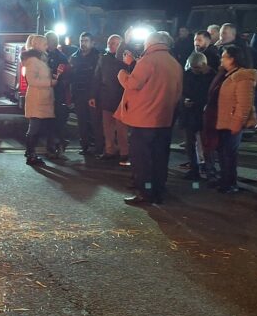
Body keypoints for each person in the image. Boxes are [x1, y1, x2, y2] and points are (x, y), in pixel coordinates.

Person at [115, 30, 183, 206]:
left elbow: (133, 83)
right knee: (160, 157)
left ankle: (145, 192)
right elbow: (177, 92)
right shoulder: (174, 62)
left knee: (142, 159)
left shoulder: (149, 60)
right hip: (164, 118)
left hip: (144, 119)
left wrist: (122, 73)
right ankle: (159, 190)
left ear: (151, 42)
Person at [213, 46, 257, 193]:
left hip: (232, 122)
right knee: (224, 153)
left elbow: (244, 103)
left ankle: (230, 183)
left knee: (229, 154)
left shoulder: (242, 77)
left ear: (233, 59)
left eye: (224, 57)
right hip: (225, 121)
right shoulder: (228, 74)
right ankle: (225, 180)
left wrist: (237, 123)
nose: (221, 59)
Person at [92, 34, 128, 163]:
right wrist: (93, 95)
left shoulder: (125, 58)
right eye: (109, 43)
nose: (110, 45)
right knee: (107, 127)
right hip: (106, 97)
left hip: (121, 98)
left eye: (114, 43)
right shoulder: (103, 58)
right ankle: (109, 150)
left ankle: (125, 152)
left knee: (121, 128)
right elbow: (97, 77)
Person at [21, 35, 57, 166]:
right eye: (44, 44)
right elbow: (32, 80)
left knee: (37, 127)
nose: (47, 46)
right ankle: (31, 155)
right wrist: (50, 82)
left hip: (42, 97)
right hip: (37, 98)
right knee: (34, 128)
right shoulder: (32, 60)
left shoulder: (40, 58)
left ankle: (30, 152)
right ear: (37, 45)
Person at [180, 52, 214, 179]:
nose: (195, 70)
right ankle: (194, 168)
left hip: (203, 113)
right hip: (190, 114)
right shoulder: (187, 75)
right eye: (193, 68)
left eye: (197, 68)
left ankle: (209, 168)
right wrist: (184, 100)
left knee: (206, 143)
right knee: (190, 143)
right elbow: (181, 91)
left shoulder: (211, 76)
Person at [69, 32, 102, 155]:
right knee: (81, 122)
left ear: (92, 42)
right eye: (81, 40)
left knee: (95, 122)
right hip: (79, 95)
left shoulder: (98, 57)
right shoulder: (74, 57)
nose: (83, 43)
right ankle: (85, 146)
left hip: (93, 95)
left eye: (86, 41)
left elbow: (99, 77)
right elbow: (71, 76)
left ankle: (99, 148)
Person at [44, 32, 69, 157]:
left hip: (58, 93)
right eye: (48, 40)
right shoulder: (42, 56)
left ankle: (57, 144)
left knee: (57, 119)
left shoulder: (61, 57)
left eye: (53, 40)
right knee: (48, 120)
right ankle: (52, 144)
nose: (50, 43)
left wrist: (59, 79)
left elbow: (66, 74)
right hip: (45, 92)